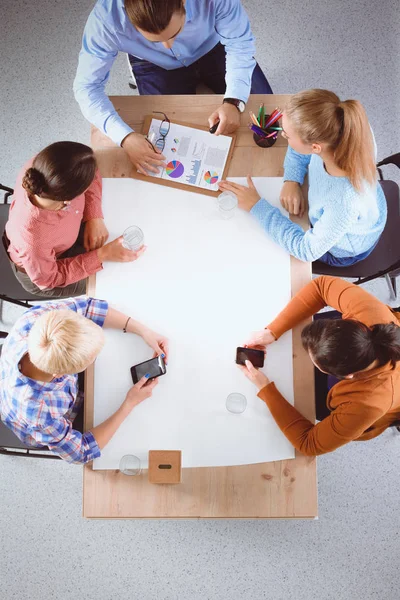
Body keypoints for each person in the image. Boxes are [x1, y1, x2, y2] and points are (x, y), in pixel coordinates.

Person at [73, 0, 272, 174]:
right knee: (167, 141)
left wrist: (234, 100)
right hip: (154, 65)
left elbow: (239, 43)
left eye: (175, 33)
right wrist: (124, 137)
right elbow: (86, 87)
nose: (168, 47)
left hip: (214, 46)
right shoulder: (105, 20)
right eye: (154, 40)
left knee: (267, 116)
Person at [219, 89, 387, 265]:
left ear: (315, 148)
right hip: (357, 211)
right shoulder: (344, 128)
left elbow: (305, 250)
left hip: (344, 247)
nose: (283, 136)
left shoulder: (343, 202)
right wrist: (292, 179)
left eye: (287, 135)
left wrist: (256, 206)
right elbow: (300, 143)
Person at [238, 276, 400, 456]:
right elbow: (321, 286)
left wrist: (266, 389)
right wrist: (272, 331)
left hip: (369, 403)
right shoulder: (371, 313)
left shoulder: (367, 405)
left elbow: (309, 444)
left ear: (346, 376)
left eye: (314, 360)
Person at [0, 295, 168, 463]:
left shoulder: (38, 320)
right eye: (91, 359)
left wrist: (144, 331)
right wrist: (129, 404)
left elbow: (88, 307)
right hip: (49, 423)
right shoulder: (40, 416)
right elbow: (82, 452)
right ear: (61, 374)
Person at [5, 141, 145, 298]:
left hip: (61, 240)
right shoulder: (33, 240)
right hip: (47, 273)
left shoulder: (45, 166)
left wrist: (94, 216)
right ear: (69, 198)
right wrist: (102, 255)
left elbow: (91, 171)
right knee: (113, 278)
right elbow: (48, 280)